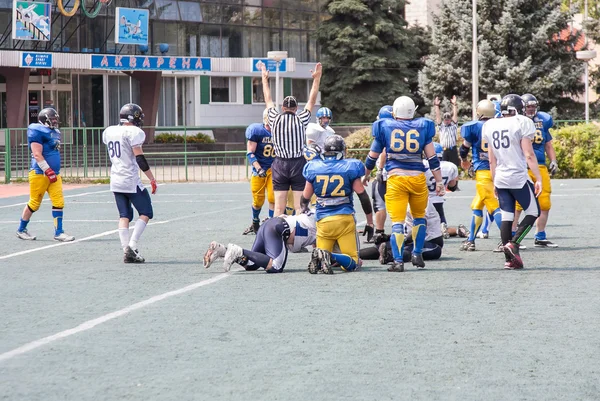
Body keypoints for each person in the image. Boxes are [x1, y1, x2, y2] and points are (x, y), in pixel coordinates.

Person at [364, 96, 445, 272]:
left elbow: (372, 156)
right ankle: (417, 253)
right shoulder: (423, 126)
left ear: (394, 111)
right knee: (419, 218)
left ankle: (399, 261)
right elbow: (432, 158)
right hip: (417, 178)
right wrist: (439, 181)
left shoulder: (384, 127)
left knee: (398, 223)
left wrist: (366, 175)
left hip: (396, 179)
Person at [483, 94, 541, 269]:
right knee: (533, 211)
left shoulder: (490, 124)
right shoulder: (521, 122)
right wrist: (538, 178)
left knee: (507, 215)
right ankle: (514, 244)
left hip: (500, 176)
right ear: (518, 109)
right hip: (517, 175)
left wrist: (494, 181)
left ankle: (509, 260)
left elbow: (491, 160)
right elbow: (529, 154)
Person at [302, 135, 374, 274]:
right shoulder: (350, 166)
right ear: (343, 150)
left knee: (322, 260)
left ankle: (324, 254)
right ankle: (331, 255)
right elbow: (362, 196)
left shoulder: (313, 167)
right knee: (353, 262)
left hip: (323, 221)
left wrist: (307, 214)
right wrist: (369, 222)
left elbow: (304, 199)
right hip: (344, 220)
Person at [260, 62, 322, 216]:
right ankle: (301, 237)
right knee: (299, 207)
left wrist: (264, 79)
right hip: (297, 163)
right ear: (295, 109)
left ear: (282, 108)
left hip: (280, 163)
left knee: (279, 208)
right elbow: (312, 101)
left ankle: (277, 238)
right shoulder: (301, 118)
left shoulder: (274, 117)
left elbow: (268, 99)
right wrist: (316, 79)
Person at [102, 103, 157, 263]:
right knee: (146, 212)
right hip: (129, 179)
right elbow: (139, 158)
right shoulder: (134, 132)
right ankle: (132, 246)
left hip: (115, 179)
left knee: (124, 215)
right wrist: (151, 178)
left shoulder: (110, 131)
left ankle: (126, 249)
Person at [16, 108, 75, 242]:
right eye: (52, 119)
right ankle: (21, 229)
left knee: (59, 202)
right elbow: (37, 154)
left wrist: (53, 171)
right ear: (44, 120)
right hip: (40, 173)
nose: (55, 121)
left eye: (56, 119)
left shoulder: (56, 132)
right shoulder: (37, 130)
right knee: (35, 203)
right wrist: (48, 171)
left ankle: (59, 232)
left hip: (55, 174)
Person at [512, 93, 559, 248]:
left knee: (544, 203)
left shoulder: (543, 120)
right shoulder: (516, 121)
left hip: (540, 166)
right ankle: (513, 237)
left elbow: (548, 144)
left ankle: (540, 235)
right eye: (528, 106)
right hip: (522, 166)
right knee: (518, 204)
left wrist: (553, 160)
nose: (531, 109)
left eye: (533, 106)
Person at [203, 212, 317, 273]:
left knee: (252, 265)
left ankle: (222, 250)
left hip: (270, 225)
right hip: (278, 228)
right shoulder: (325, 221)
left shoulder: (317, 214)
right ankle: (237, 251)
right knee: (275, 267)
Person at [459, 99, 504, 251]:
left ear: (480, 112)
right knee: (477, 205)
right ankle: (471, 240)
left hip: (484, 172)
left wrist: (464, 161)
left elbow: (464, 149)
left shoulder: (474, 127)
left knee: (494, 207)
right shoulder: (500, 125)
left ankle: (507, 240)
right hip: (499, 169)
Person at [360, 198, 444, 264]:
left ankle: (388, 257)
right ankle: (354, 254)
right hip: (408, 238)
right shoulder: (400, 201)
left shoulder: (420, 200)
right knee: (381, 246)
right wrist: (388, 237)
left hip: (429, 241)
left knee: (408, 250)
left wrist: (403, 240)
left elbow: (420, 227)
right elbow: (404, 228)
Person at [243, 109, 275, 235]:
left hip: (274, 170)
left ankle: (272, 226)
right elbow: (250, 153)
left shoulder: (279, 133)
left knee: (273, 198)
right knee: (258, 201)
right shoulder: (257, 130)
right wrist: (258, 168)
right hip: (259, 170)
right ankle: (255, 221)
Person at [369, 105, 394, 244]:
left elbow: (383, 151)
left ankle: (379, 232)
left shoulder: (383, 129)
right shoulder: (400, 127)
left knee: (380, 204)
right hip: (400, 172)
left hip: (386, 173)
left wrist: (379, 168)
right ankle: (403, 231)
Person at [426, 142, 459, 238]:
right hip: (439, 200)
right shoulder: (450, 166)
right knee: (440, 225)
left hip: (425, 200)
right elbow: (453, 187)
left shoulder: (423, 165)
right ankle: (456, 230)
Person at [434, 95, 460, 168]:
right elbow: (438, 116)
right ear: (444, 120)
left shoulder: (453, 126)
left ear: (450, 120)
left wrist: (454, 104)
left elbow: (455, 115)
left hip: (452, 149)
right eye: (445, 119)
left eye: (448, 119)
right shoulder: (441, 127)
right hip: (444, 149)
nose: (447, 121)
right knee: (443, 167)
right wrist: (436, 106)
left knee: (454, 167)